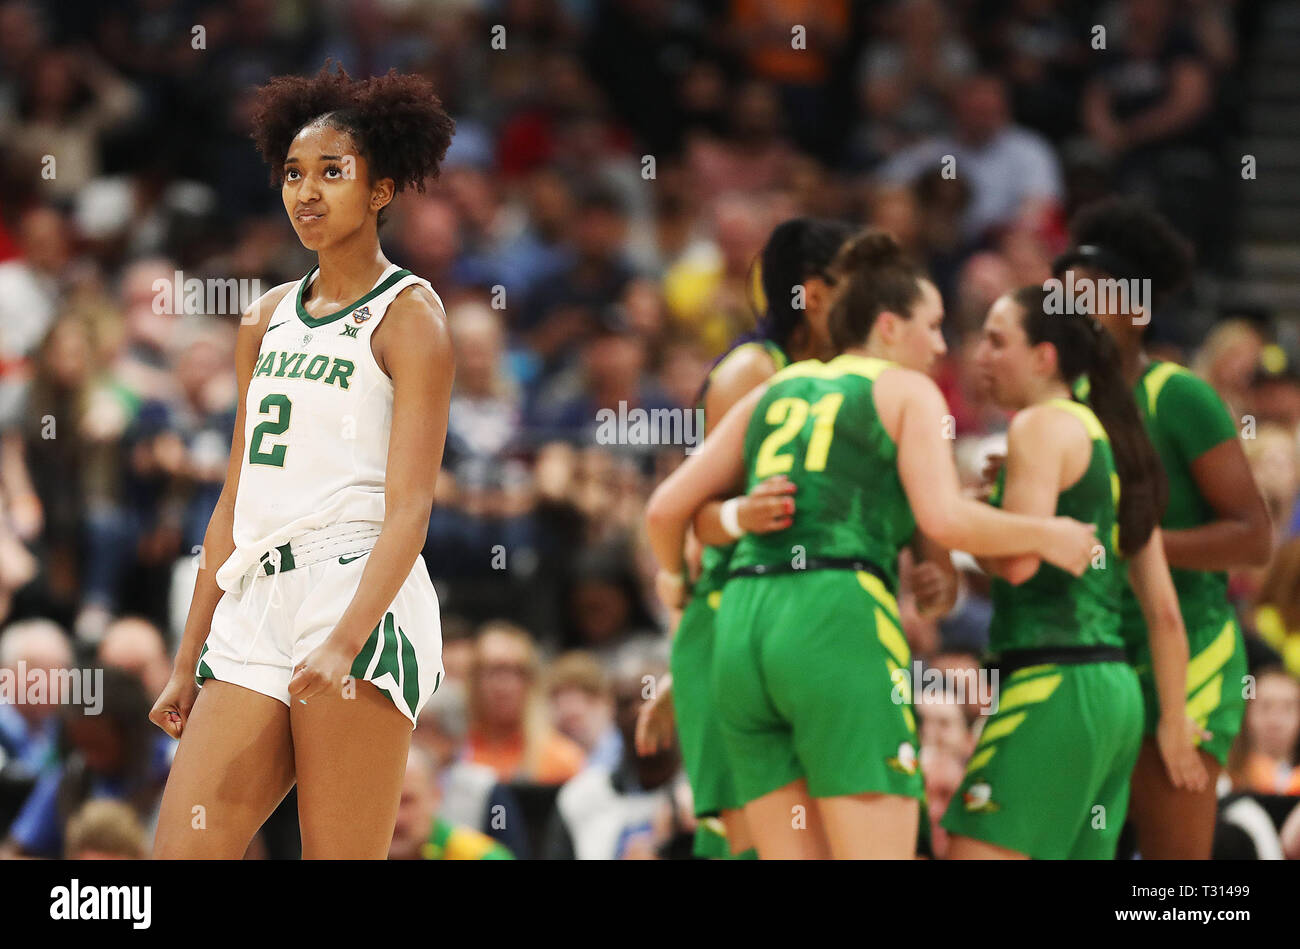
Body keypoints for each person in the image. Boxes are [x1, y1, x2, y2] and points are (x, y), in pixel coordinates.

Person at [645, 230, 1099, 858]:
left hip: (741, 630)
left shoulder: (781, 384)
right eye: (934, 326)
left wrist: (675, 584)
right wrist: (1048, 533)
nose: (942, 346)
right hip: (835, 617)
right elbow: (944, 521)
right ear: (889, 326)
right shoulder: (905, 388)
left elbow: (666, 509)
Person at [148, 64, 457, 859]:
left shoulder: (410, 314)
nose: (306, 192)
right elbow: (232, 501)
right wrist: (189, 661)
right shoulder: (262, 318)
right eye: (292, 173)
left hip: (355, 587)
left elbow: (412, 507)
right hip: (256, 596)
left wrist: (345, 637)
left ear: (381, 188)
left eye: (331, 172)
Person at [941, 285, 1205, 860]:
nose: (980, 355)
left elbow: (1016, 564)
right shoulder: (1099, 436)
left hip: (1053, 678)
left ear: (1044, 357)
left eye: (996, 340)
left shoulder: (1040, 426)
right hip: (1109, 693)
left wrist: (965, 514)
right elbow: (1162, 611)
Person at [1056, 197, 1273, 859]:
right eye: (1063, 300)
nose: (1074, 314)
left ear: (1136, 311)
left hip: (1189, 647)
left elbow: (1253, 536)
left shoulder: (1179, 396)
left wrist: (1140, 547)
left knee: (1175, 870)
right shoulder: (1062, 410)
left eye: (1090, 298)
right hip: (1094, 651)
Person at [636, 217, 857, 859]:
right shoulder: (754, 369)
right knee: (743, 838)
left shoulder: (847, 378)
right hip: (729, 615)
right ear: (812, 292)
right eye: (855, 287)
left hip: (795, 625)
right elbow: (693, 518)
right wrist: (684, 655)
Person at [388, 745, 513, 860]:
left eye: (407, 801)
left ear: (436, 796)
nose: (397, 818)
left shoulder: (481, 856)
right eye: (385, 805)